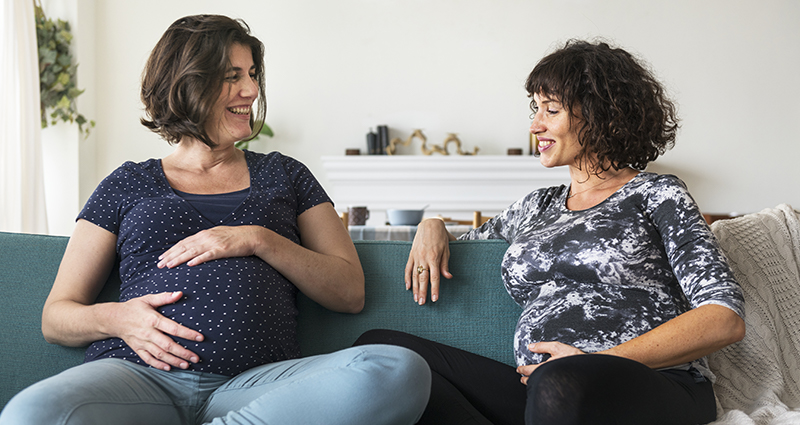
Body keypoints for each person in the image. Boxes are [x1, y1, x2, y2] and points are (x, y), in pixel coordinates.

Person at [0, 15, 429, 425]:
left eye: (253, 74)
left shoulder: (286, 174)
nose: (252, 89)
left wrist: (259, 240)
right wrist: (117, 319)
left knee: (398, 370)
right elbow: (56, 317)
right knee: (30, 414)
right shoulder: (126, 183)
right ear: (187, 83)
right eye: (233, 76)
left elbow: (350, 292)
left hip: (261, 387)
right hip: (138, 376)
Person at [355, 39, 745, 425]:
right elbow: (466, 240)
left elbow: (723, 317)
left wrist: (596, 361)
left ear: (601, 115)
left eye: (551, 110)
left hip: (651, 383)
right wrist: (432, 224)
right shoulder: (535, 207)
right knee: (381, 350)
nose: (534, 125)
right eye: (536, 109)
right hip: (536, 387)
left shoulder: (657, 194)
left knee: (559, 381)